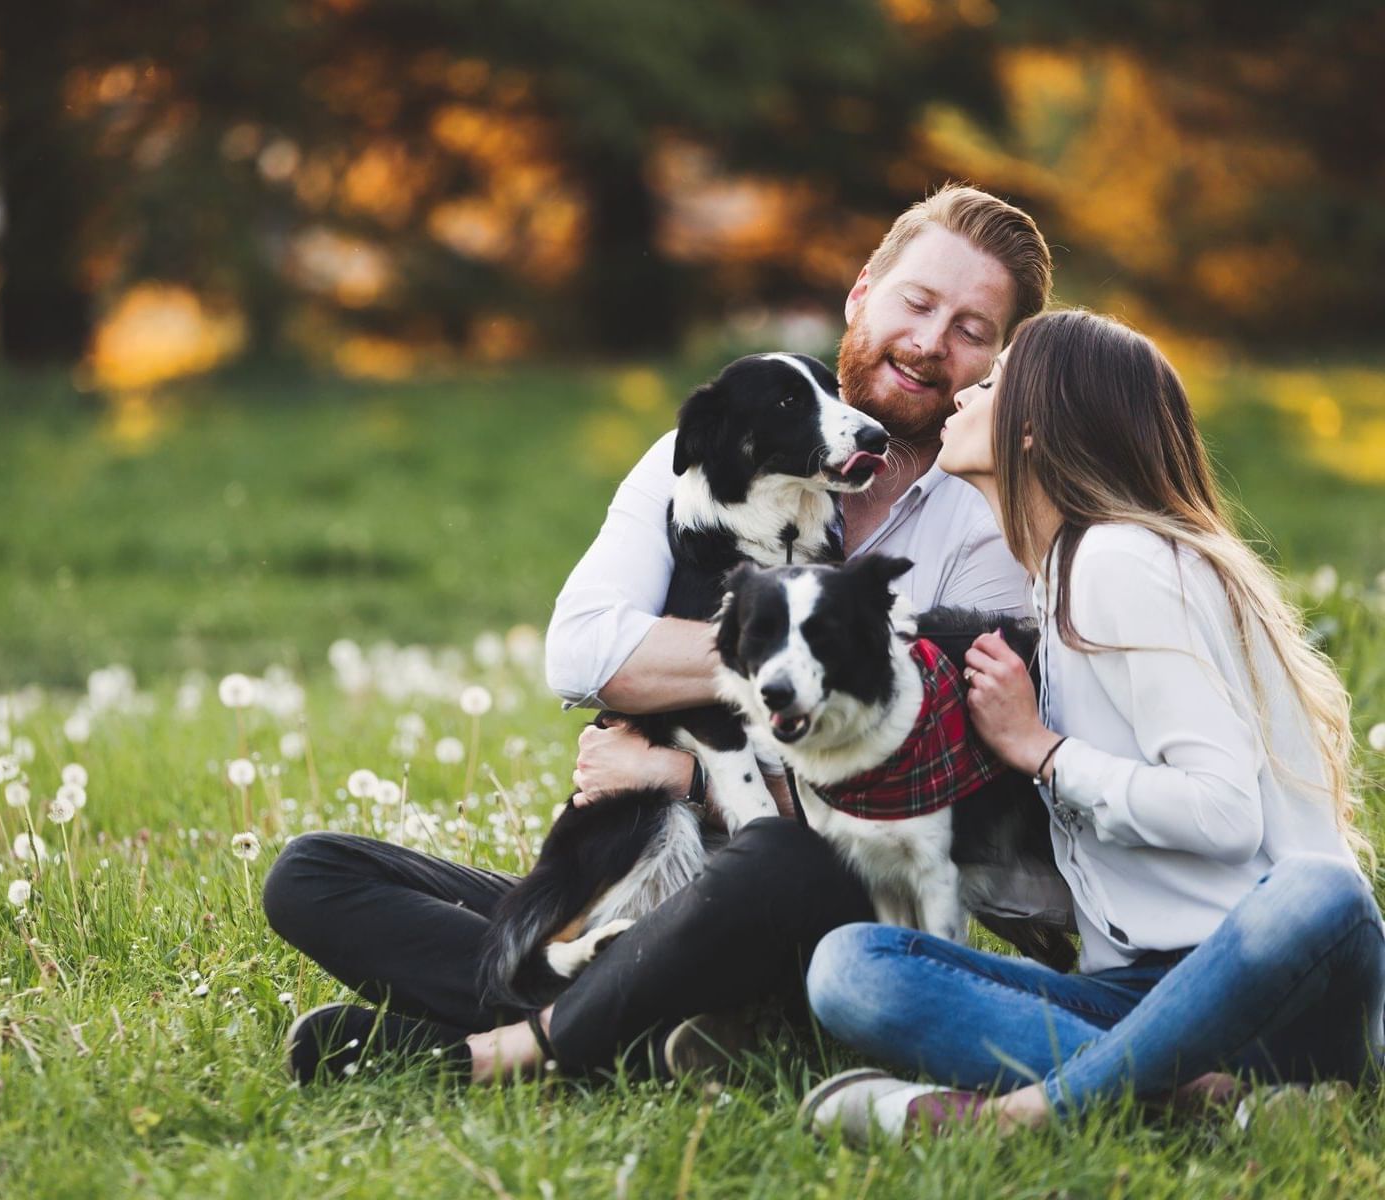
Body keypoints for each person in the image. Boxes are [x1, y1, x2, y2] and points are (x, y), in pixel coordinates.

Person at [262, 184, 1055, 1085]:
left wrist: (681, 768)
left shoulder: (989, 523)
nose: (929, 343)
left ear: (1001, 358)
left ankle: (500, 1051)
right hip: (646, 884)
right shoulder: (721, 444)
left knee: (782, 862)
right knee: (312, 874)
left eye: (971, 329)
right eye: (918, 303)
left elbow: (923, 777)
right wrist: (807, 655)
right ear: (862, 293)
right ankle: (636, 1027)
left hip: (808, 895)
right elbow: (585, 651)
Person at [799, 309, 1382, 1144]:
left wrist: (1043, 752)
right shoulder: (1056, 578)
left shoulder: (1120, 559)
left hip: (1277, 984)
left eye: (993, 383)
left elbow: (1224, 814)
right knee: (854, 967)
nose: (965, 390)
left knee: (1320, 891)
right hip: (1144, 995)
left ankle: (1023, 1115)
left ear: (1035, 428)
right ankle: (1199, 1099)